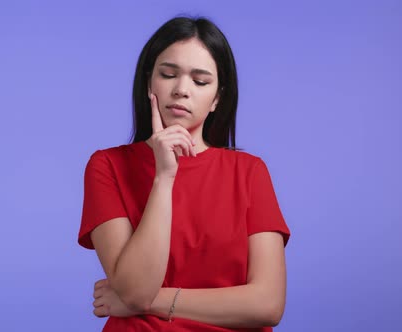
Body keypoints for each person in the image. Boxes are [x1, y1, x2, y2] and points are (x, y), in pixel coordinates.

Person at [78, 16, 291, 331]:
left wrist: (154, 300)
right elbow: (136, 289)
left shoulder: (249, 172)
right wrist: (163, 179)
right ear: (149, 81)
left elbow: (268, 304)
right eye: (168, 74)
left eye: (200, 81)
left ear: (217, 97)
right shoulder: (107, 166)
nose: (181, 90)